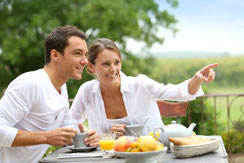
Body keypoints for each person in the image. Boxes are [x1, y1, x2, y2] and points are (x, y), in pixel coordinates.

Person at [70, 38, 218, 137]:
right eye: (106, 64)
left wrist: (197, 79)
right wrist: (93, 135)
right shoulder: (87, 91)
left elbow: (176, 92)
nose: (114, 69)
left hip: (151, 153)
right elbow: (71, 124)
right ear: (91, 66)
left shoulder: (140, 84)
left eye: (117, 62)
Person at [0, 26, 99, 163]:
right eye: (77, 53)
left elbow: (69, 132)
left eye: (85, 54)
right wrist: (46, 137)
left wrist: (86, 137)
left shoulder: (61, 88)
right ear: (55, 55)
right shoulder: (30, 84)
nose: (85, 61)